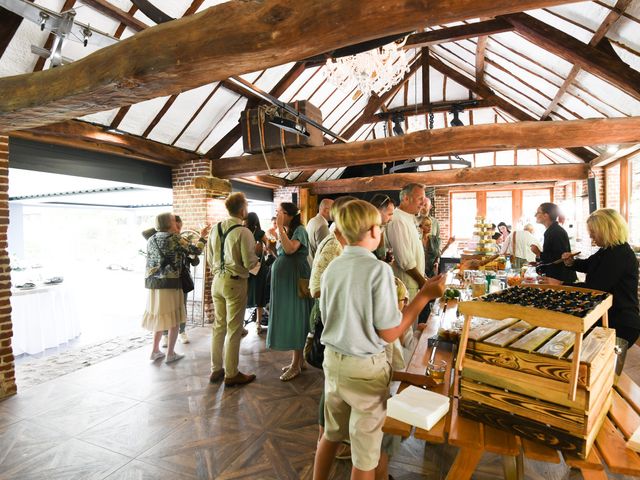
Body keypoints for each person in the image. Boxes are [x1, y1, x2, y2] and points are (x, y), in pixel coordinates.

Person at [313, 199, 446, 480]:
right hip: (365, 369)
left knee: (331, 434)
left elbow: (329, 316)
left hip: (333, 363)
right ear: (374, 232)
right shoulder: (378, 270)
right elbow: (389, 332)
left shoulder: (333, 268)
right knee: (365, 455)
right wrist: (424, 296)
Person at [546, 209, 640, 345]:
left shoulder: (619, 255)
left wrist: (561, 285)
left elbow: (595, 288)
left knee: (603, 363)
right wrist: (571, 262)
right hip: (607, 316)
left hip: (621, 322)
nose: (591, 237)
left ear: (606, 230)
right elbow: (588, 264)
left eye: (594, 232)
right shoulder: (607, 250)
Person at [207, 192, 259, 387]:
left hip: (216, 281)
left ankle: (216, 369)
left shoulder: (215, 228)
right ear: (243, 209)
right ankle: (231, 373)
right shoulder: (244, 232)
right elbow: (249, 262)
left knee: (218, 326)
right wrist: (258, 257)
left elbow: (211, 257)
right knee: (234, 328)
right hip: (235, 282)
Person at [142, 212, 203, 364]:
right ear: (168, 223)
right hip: (170, 283)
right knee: (174, 318)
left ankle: (155, 350)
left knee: (159, 316)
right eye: (173, 220)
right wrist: (202, 238)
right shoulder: (175, 238)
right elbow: (196, 251)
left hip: (153, 284)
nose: (175, 221)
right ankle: (170, 354)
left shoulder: (151, 239)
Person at [267, 202, 314, 381]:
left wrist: (279, 228)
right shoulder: (286, 231)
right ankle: (298, 361)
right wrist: (272, 248)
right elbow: (282, 254)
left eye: (279, 212)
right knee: (290, 316)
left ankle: (296, 364)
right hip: (286, 281)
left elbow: (290, 249)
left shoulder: (300, 230)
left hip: (295, 279)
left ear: (288, 215)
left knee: (296, 317)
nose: (277, 214)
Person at [157, 215, 204, 346]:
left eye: (180, 227)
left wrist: (191, 256)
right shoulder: (164, 240)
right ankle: (165, 335)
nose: (178, 229)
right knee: (166, 308)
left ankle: (182, 332)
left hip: (182, 278)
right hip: (167, 279)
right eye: (177, 226)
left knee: (181, 306)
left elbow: (195, 261)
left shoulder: (182, 241)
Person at [386, 184, 427, 300]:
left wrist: (423, 277)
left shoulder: (408, 218)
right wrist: (422, 282)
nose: (423, 203)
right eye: (420, 199)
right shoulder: (398, 220)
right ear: (406, 198)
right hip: (406, 286)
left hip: (414, 284)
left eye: (423, 199)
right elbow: (405, 260)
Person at [532, 202, 577, 283]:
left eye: (538, 212)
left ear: (546, 215)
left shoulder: (556, 232)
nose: (535, 215)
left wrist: (538, 253)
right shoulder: (552, 230)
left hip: (561, 279)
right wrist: (539, 261)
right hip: (557, 276)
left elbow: (559, 257)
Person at [369, 194, 395, 261]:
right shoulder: (365, 229)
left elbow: (381, 246)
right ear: (378, 211)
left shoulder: (381, 226)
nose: (391, 219)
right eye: (389, 214)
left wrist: (384, 256)